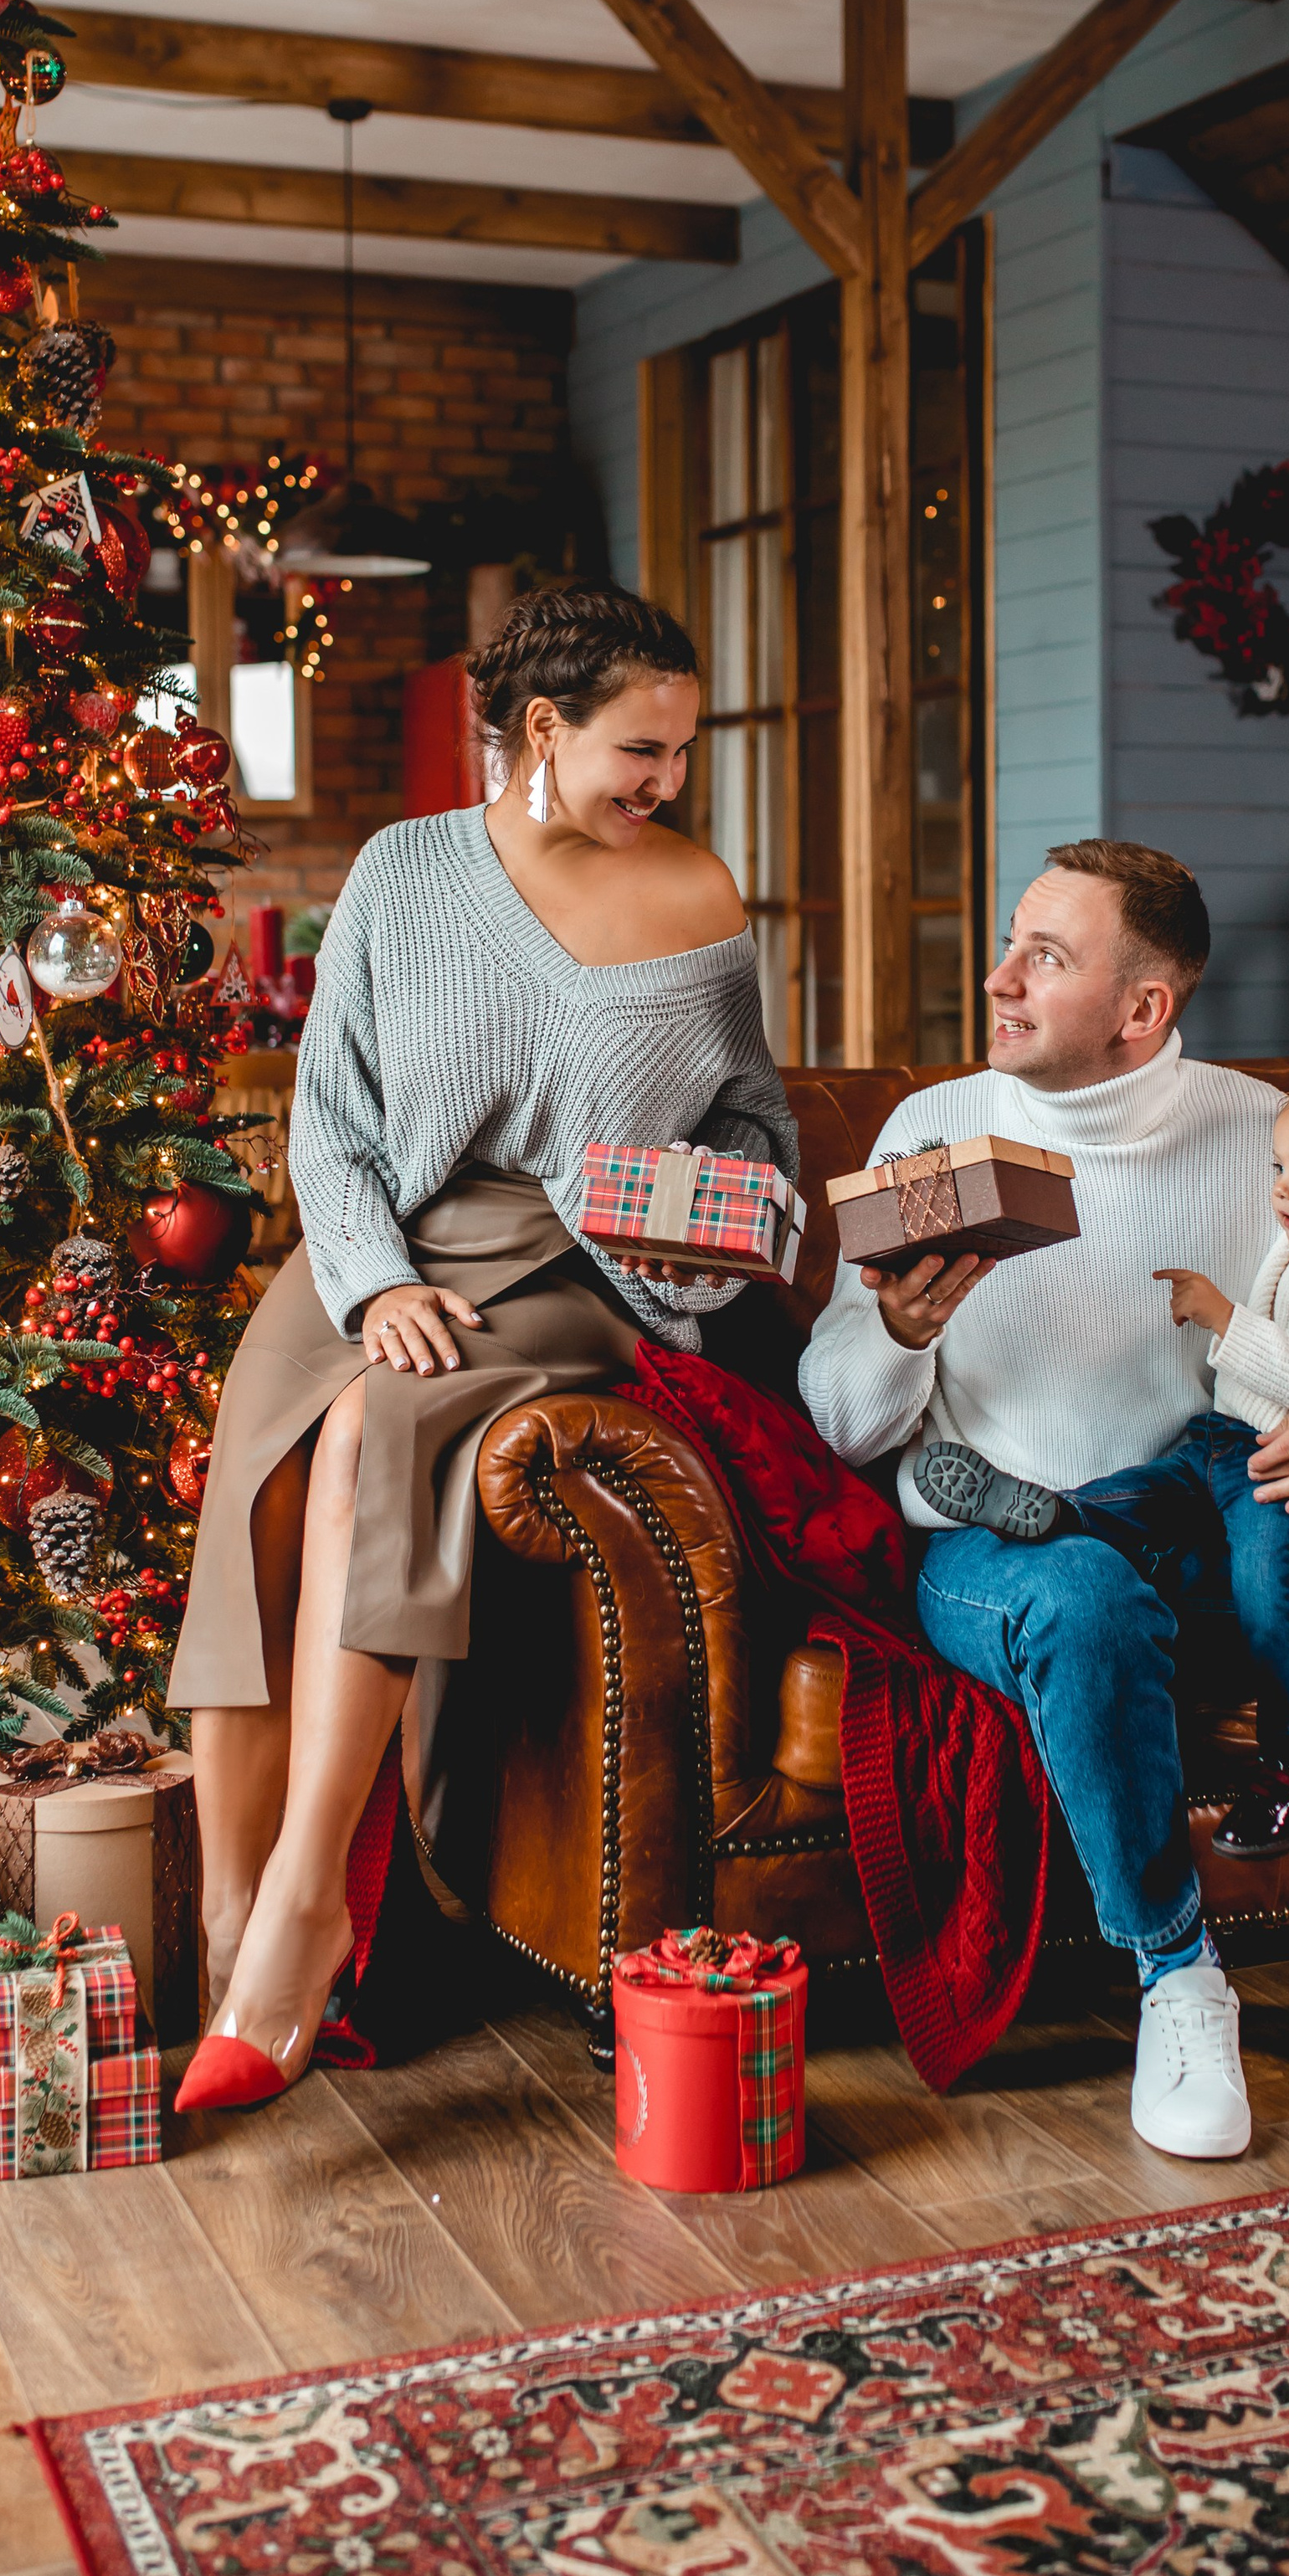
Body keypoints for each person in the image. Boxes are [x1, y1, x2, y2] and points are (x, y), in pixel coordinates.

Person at [799, 840, 1289, 2163]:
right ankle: (1175, 1972)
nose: (998, 978)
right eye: (1010, 942)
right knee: (1085, 1595)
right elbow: (844, 1423)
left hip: (1223, 1516)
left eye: (1046, 956)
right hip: (1001, 1544)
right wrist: (899, 1335)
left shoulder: (1268, 1138)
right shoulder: (933, 1132)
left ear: (1144, 1009)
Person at [169, 582, 795, 2112]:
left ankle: (313, 1905)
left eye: (679, 753)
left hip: (573, 1273)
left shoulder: (705, 900)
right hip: (378, 1250)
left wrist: (694, 1240)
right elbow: (328, 1118)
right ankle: (230, 1924)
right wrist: (373, 1280)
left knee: (386, 1432)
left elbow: (754, 1134)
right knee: (263, 1477)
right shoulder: (404, 874)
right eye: (638, 750)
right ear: (542, 729)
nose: (665, 782)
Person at [918, 1048, 1289, 1865]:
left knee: (1264, 1588)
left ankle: (1288, 1759)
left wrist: (1219, 1315)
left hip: (1280, 1467)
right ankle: (1060, 1513)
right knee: (1140, 1492)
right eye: (1279, 1166)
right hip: (1222, 1440)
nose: (1279, 1187)